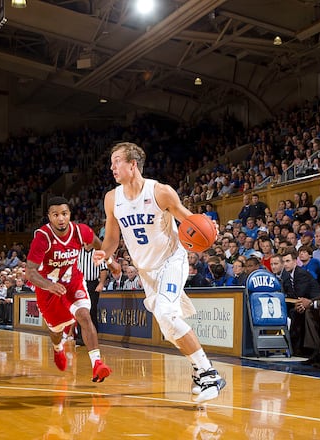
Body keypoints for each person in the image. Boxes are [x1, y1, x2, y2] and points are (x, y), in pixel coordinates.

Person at [93, 142, 225, 403]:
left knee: (165, 312)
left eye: (117, 161)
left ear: (133, 164)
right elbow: (111, 238)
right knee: (167, 324)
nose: (112, 167)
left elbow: (189, 220)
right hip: (146, 270)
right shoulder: (112, 198)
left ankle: (210, 374)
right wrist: (104, 253)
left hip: (171, 260)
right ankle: (200, 372)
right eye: (111, 162)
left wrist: (209, 227)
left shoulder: (160, 192)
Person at [25, 196, 111, 383]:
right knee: (56, 330)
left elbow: (96, 242)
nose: (61, 218)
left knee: (84, 316)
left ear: (69, 214)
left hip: (73, 282)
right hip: (48, 288)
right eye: (56, 215)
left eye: (64, 214)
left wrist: (109, 261)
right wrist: (49, 285)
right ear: (49, 216)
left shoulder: (79, 231)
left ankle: (97, 364)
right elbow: (30, 272)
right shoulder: (43, 237)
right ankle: (58, 349)